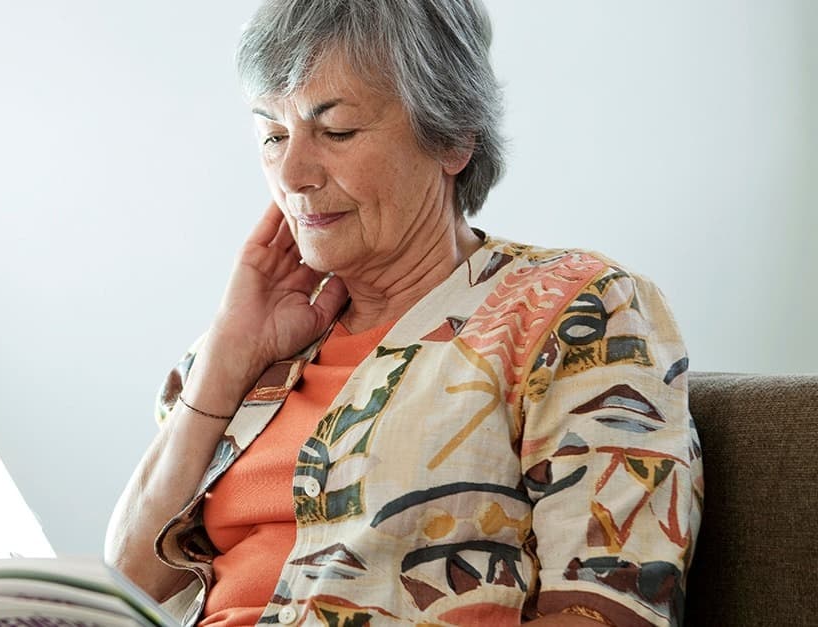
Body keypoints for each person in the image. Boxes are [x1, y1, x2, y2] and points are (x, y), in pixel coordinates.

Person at [106, 1, 703, 625]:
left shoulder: (575, 312)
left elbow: (609, 610)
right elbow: (127, 585)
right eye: (273, 136)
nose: (293, 174)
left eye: (335, 132)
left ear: (451, 138)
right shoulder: (250, 345)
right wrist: (228, 358)